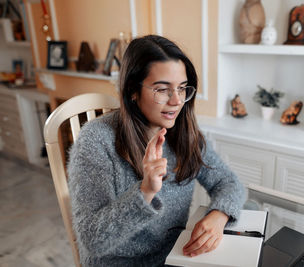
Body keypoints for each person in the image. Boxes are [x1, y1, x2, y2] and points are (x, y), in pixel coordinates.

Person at [67, 35, 246, 266]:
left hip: (176, 255)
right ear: (133, 90)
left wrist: (219, 215)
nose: (176, 101)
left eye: (182, 89)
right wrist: (145, 192)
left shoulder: (185, 133)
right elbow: (93, 240)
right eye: (162, 90)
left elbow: (229, 182)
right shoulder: (96, 140)